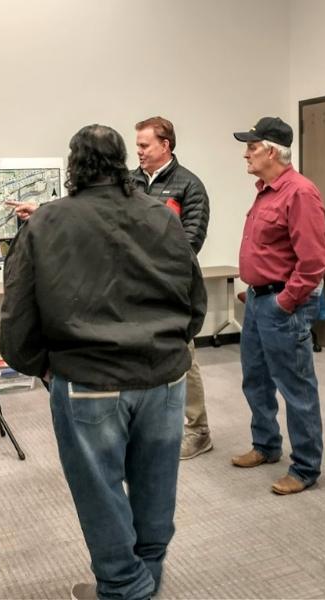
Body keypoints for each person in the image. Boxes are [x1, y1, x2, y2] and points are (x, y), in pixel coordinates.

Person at [0, 124, 206, 600]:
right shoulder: (161, 216)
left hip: (87, 379)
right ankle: (147, 574)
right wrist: (171, 346)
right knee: (157, 485)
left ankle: (122, 586)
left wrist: (39, 365)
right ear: (121, 161)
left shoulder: (46, 223)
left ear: (74, 166)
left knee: (100, 493)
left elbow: (18, 310)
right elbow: (194, 298)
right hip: (162, 376)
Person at [231, 116, 325, 495]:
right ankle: (266, 445)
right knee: (255, 379)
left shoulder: (300, 193)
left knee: (296, 388)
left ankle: (305, 467)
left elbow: (314, 261)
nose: (246, 154)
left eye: (252, 147)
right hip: (258, 300)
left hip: (282, 304)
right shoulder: (266, 191)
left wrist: (286, 302)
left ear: (271, 151)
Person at [131, 116, 212, 460]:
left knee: (183, 358)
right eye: (137, 145)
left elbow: (191, 242)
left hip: (172, 289)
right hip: (133, 287)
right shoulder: (128, 182)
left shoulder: (189, 185)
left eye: (144, 145)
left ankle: (198, 430)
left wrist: (149, 264)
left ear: (165, 145)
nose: (138, 151)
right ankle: (149, 427)